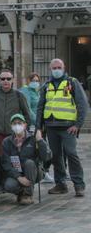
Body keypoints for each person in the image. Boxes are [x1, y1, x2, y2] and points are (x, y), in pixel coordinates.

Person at [36, 58, 87, 197]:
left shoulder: (72, 82)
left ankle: (79, 184)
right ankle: (60, 184)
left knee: (71, 153)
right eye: (54, 68)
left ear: (64, 68)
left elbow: (82, 104)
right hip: (51, 127)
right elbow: (40, 107)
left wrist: (78, 125)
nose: (56, 70)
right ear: (50, 69)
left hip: (68, 127)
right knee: (56, 156)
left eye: (59, 67)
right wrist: (38, 128)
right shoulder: (46, 85)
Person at [3, 113, 50, 205]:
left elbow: (46, 157)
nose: (17, 125)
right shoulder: (7, 141)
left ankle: (28, 194)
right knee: (9, 185)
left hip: (34, 171)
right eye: (14, 123)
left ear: (25, 125)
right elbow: (6, 164)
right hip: (17, 173)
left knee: (29, 163)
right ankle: (21, 192)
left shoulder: (33, 138)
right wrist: (18, 177)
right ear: (11, 126)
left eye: (20, 123)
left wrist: (40, 141)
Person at [0, 69, 32, 150]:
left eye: (8, 79)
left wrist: (24, 132)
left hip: (14, 135)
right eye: (3, 79)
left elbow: (27, 115)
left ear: (12, 80)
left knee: (13, 160)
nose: (5, 81)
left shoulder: (19, 95)